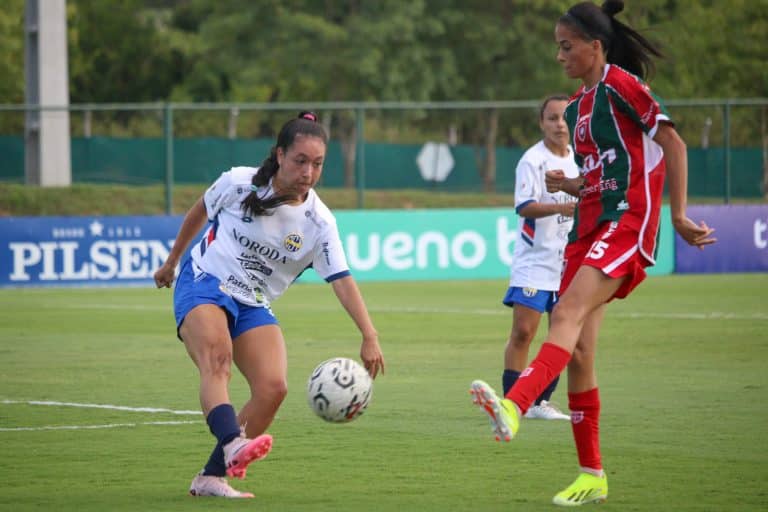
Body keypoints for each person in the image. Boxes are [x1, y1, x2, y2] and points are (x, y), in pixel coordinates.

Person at [470, 0, 716, 506]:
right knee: (580, 351)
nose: (559, 56)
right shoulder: (579, 109)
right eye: (557, 47)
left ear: (595, 46)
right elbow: (604, 172)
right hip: (591, 222)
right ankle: (593, 475)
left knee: (566, 312)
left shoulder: (622, 85)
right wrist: (575, 183)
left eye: (567, 46)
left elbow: (673, 144)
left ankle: (516, 406)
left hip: (627, 218)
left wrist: (677, 215)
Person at [154, 111, 385, 498]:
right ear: (280, 155)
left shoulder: (319, 222)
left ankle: (211, 477)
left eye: (317, 164)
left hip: (253, 301)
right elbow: (200, 211)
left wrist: (369, 334)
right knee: (218, 360)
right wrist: (172, 261)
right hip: (205, 281)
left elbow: (341, 279)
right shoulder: (238, 182)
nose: (308, 172)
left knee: (273, 388)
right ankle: (232, 444)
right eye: (300, 161)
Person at [502, 95, 578, 421]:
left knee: (561, 335)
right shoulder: (532, 161)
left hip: (569, 262)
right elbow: (524, 206)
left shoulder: (583, 159)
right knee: (523, 332)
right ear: (542, 123)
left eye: (564, 117)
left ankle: (541, 403)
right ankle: (511, 403)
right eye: (552, 118)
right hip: (535, 262)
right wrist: (565, 205)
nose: (559, 124)